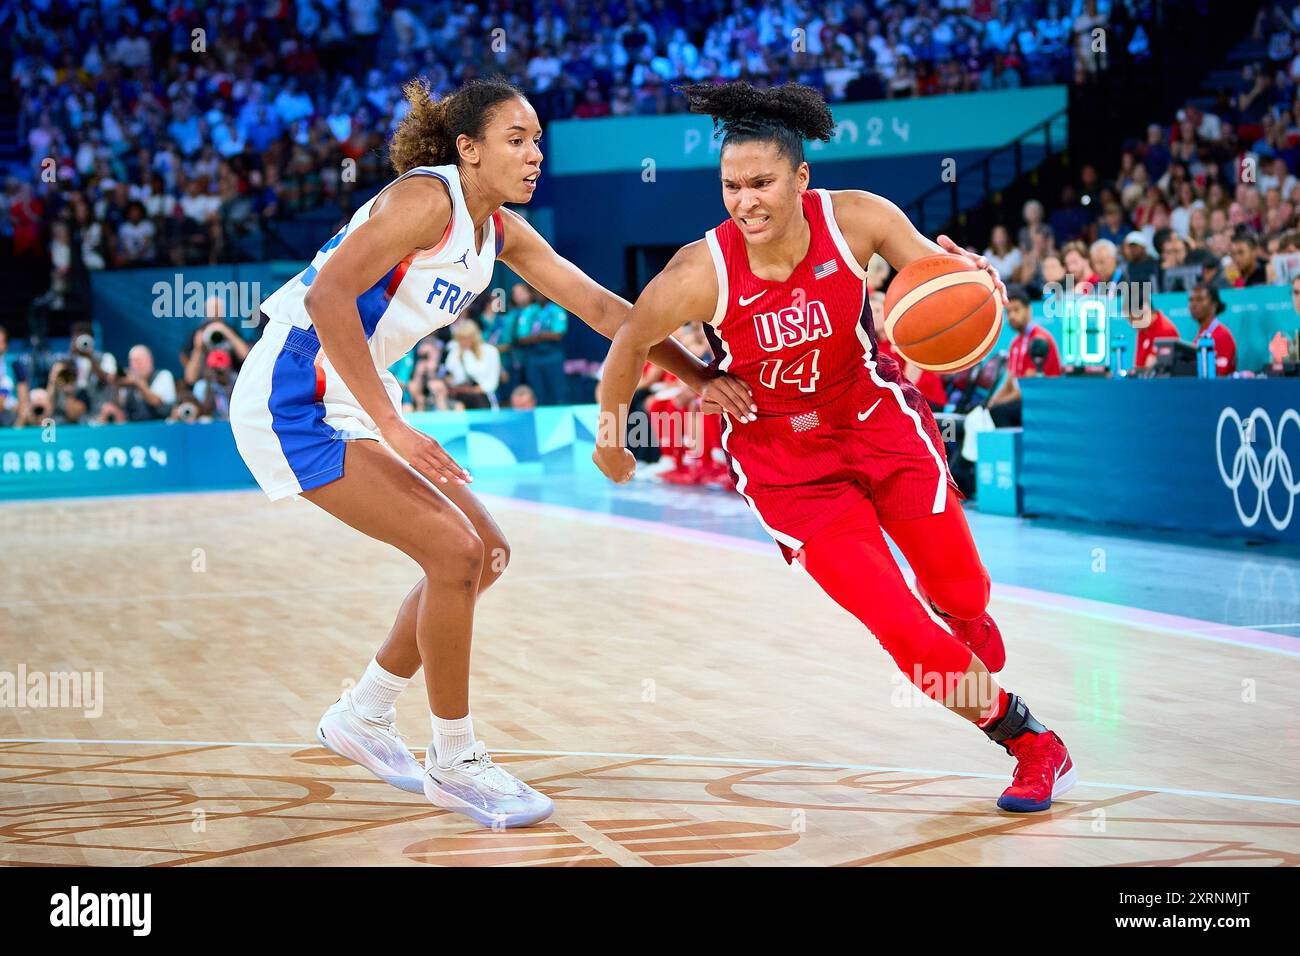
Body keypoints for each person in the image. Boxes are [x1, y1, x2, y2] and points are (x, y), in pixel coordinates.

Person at [228, 76, 754, 829]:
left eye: (538, 139)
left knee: (488, 554)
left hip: (353, 394)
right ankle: (455, 760)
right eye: (516, 139)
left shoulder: (495, 229)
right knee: (453, 554)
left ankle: (364, 716)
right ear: (467, 150)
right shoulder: (427, 201)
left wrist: (701, 375)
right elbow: (325, 298)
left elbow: (606, 309)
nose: (535, 153)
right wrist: (393, 422)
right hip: (295, 396)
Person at [594, 82, 1075, 813]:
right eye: (731, 185)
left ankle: (967, 615)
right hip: (787, 465)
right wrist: (625, 426)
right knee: (903, 630)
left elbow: (936, 278)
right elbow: (629, 335)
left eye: (761, 183)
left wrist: (970, 278)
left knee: (960, 592)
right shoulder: (703, 270)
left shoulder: (858, 219)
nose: (744, 201)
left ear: (801, 178)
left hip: (874, 420)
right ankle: (1031, 741)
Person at [987, 289, 1062, 426]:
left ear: (1028, 310)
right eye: (1008, 312)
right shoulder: (1015, 343)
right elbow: (1009, 382)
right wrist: (993, 400)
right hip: (1024, 399)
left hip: (1043, 399)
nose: (1012, 316)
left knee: (999, 411)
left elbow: (1028, 386)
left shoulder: (1038, 339)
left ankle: (1014, 448)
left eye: (1016, 310)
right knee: (992, 408)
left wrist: (1000, 403)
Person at [442, 319, 502, 409]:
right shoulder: (455, 352)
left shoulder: (491, 351)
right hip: (460, 400)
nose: (462, 342)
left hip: (483, 399)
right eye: (460, 339)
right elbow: (449, 375)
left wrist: (473, 390)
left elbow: (492, 383)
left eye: (465, 338)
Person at [1188, 283, 1237, 375]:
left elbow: (1220, 375)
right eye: (1191, 300)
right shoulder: (1200, 336)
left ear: (1214, 304)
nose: (1193, 305)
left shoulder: (1222, 335)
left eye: (1199, 299)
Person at [1129, 298, 1180, 371]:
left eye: (1133, 319)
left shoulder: (1166, 331)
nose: (1132, 324)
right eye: (1129, 320)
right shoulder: (1142, 329)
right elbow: (1138, 366)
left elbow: (1152, 369)